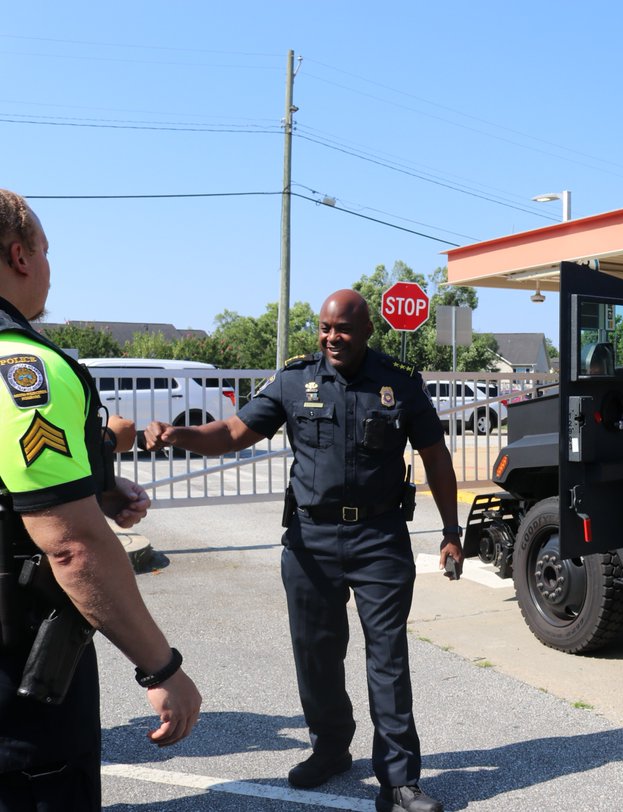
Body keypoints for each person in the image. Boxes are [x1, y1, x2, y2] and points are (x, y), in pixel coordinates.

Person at [144, 289, 463, 812]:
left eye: (342, 329)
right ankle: (332, 748)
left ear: (365, 333)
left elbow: (435, 456)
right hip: (310, 539)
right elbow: (231, 432)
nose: (331, 337)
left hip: (380, 538)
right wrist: (179, 433)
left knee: (387, 657)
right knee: (316, 653)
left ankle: (400, 780)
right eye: (324, 328)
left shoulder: (398, 385)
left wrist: (451, 530)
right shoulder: (296, 380)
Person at [0, 190, 202, 810]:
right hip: (18, 675)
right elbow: (70, 546)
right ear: (21, 256)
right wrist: (161, 669)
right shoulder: (24, 367)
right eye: (47, 252)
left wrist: (99, 487)